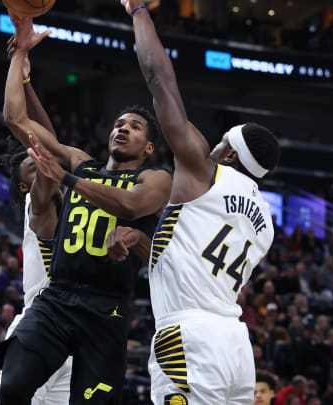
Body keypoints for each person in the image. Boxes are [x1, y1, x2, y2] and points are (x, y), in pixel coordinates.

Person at [0, 15, 171, 405]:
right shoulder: (82, 162)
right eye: (119, 124)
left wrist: (66, 179)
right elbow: (15, 117)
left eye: (135, 127)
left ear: (147, 148)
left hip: (106, 309)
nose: (122, 129)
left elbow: (130, 205)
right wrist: (21, 54)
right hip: (58, 298)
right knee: (12, 386)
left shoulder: (155, 178)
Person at [117, 1, 280, 403]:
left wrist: (138, 10)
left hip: (189, 337)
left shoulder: (202, 173)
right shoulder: (267, 224)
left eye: (221, 142)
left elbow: (160, 80)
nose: (212, 145)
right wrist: (140, 244)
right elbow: (189, 257)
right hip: (236, 347)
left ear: (229, 154)